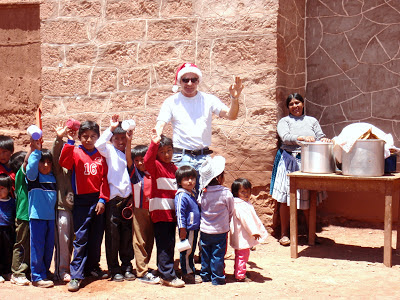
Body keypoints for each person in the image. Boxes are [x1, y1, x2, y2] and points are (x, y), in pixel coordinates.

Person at [154, 63, 243, 173]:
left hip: (204, 158)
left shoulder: (209, 100)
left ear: (198, 81)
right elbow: (160, 124)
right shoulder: (171, 102)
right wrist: (156, 136)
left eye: (194, 79)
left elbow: (231, 116)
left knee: (205, 190)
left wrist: (234, 98)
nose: (189, 83)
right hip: (181, 158)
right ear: (179, 82)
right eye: (185, 80)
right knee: (182, 191)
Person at [270, 93, 330, 246]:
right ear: (288, 107)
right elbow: (285, 137)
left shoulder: (312, 121)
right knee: (285, 199)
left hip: (309, 162)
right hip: (288, 160)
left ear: (303, 104)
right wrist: (302, 138)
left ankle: (311, 234)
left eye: (297, 103)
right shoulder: (284, 121)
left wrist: (324, 139)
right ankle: (284, 234)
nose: (295, 106)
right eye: (291, 104)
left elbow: (320, 136)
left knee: (309, 197)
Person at [59, 120, 109, 292]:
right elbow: (64, 163)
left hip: (97, 201)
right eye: (85, 136)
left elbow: (104, 179)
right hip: (81, 200)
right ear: (80, 137)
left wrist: (103, 199)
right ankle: (76, 275)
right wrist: (70, 142)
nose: (89, 140)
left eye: (93, 136)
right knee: (80, 238)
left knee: (96, 237)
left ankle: (92, 267)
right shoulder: (75, 151)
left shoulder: (101, 154)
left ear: (98, 137)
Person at [95, 115, 135, 282]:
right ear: (111, 140)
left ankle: (127, 266)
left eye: (122, 138)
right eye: (116, 138)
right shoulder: (109, 151)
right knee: (113, 236)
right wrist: (110, 128)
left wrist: (129, 140)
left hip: (127, 200)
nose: (120, 141)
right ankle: (114, 268)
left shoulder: (127, 154)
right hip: (113, 201)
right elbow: (98, 144)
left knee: (126, 235)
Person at [144, 131, 184, 288]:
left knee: (169, 243)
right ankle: (167, 276)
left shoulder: (175, 169)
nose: (166, 154)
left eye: (169, 150)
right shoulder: (155, 167)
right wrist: (154, 144)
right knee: (164, 243)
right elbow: (147, 160)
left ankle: (164, 270)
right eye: (162, 151)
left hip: (172, 213)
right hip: (161, 212)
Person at [125, 135, 159, 285]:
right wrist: (129, 141)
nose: (139, 163)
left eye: (142, 159)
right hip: (139, 210)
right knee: (139, 240)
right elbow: (128, 158)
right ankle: (142, 271)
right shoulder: (135, 173)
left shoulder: (154, 171)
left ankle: (144, 266)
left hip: (154, 210)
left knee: (150, 239)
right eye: (137, 160)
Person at [198, 155, 234, 285]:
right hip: (220, 230)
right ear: (219, 178)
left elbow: (200, 206)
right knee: (217, 254)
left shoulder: (203, 192)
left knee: (206, 253)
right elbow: (231, 210)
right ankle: (217, 278)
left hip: (205, 230)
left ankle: (205, 275)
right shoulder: (225, 193)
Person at [26, 141, 57, 288]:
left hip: (50, 218)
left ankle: (45, 272)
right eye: (42, 163)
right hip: (37, 218)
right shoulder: (34, 178)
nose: (45, 166)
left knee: (49, 247)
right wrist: (36, 152)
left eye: (48, 163)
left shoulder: (53, 178)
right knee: (37, 247)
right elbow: (30, 168)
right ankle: (37, 276)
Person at [230, 178, 268, 282]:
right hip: (242, 235)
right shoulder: (240, 205)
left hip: (241, 235)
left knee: (240, 255)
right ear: (236, 192)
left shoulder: (240, 203)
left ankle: (239, 271)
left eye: (248, 191)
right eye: (243, 192)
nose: (246, 194)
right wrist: (254, 231)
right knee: (242, 255)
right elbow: (246, 220)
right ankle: (240, 275)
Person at [52, 124, 75, 283]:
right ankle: (61, 271)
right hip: (62, 209)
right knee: (63, 241)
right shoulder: (60, 171)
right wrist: (59, 139)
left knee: (73, 241)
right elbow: (54, 157)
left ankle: (71, 268)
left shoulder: (76, 170)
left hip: (76, 209)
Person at [174, 165, 201, 284]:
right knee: (186, 251)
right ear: (180, 182)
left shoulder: (192, 193)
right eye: (186, 179)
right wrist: (182, 228)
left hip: (193, 228)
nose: (190, 181)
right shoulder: (181, 196)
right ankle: (186, 273)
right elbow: (180, 214)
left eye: (192, 178)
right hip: (187, 229)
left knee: (191, 250)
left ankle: (191, 269)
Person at [10, 150, 31, 286]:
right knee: (21, 244)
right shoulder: (20, 175)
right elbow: (26, 163)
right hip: (23, 215)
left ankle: (27, 270)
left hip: (30, 216)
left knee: (29, 245)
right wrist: (33, 148)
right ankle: (17, 272)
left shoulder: (30, 179)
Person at [0, 174, 16, 283]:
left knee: (7, 251)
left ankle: (7, 272)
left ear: (9, 189)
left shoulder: (12, 202)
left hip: (8, 230)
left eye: (2, 188)